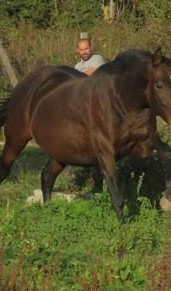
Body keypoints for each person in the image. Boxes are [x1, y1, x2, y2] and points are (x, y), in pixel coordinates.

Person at [74, 38, 105, 193]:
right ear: (77, 51)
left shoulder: (97, 59)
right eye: (81, 49)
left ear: (90, 48)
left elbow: (89, 74)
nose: (84, 51)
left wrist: (76, 76)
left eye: (86, 48)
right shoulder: (76, 66)